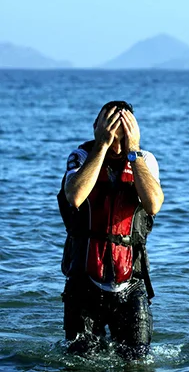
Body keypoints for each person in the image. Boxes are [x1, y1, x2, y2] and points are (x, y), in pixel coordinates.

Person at [57, 101, 164, 359]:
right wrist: (102, 146)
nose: (117, 142)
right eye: (109, 130)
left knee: (137, 360)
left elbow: (154, 204)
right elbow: (74, 196)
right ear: (97, 127)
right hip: (84, 281)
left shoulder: (145, 160)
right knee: (80, 360)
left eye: (122, 133)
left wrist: (134, 150)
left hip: (131, 283)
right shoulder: (81, 156)